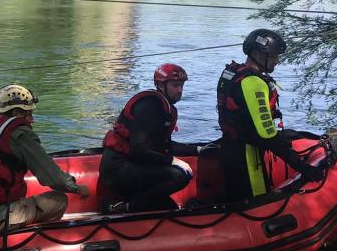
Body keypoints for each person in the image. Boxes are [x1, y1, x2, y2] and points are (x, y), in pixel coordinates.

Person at [0, 84, 89, 234]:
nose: (32, 120)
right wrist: (77, 188)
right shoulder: (19, 133)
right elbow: (53, 178)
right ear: (17, 113)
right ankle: (33, 241)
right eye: (29, 114)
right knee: (59, 200)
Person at [216, 29, 325, 203]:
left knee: (237, 200)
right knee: (255, 205)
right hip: (247, 156)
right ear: (257, 54)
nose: (277, 60)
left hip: (229, 147)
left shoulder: (233, 73)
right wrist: (302, 167)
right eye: (273, 56)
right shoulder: (253, 82)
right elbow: (267, 135)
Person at [99, 63, 200, 213]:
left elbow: (165, 145)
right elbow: (137, 150)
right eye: (175, 85)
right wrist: (173, 161)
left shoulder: (162, 106)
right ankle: (124, 208)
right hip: (118, 169)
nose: (180, 90)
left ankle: (129, 203)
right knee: (180, 176)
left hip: (132, 165)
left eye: (181, 85)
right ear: (161, 85)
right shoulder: (150, 107)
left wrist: (198, 149)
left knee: (168, 208)